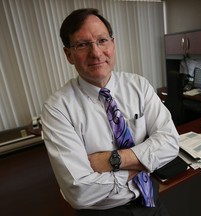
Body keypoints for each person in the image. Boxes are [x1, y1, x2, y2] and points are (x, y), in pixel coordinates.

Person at [41, 8, 179, 216]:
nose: (96, 52)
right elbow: (79, 191)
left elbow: (170, 143)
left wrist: (112, 160)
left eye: (102, 40)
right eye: (82, 45)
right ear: (68, 54)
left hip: (152, 199)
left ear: (112, 44)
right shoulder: (58, 109)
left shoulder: (139, 85)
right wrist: (142, 163)